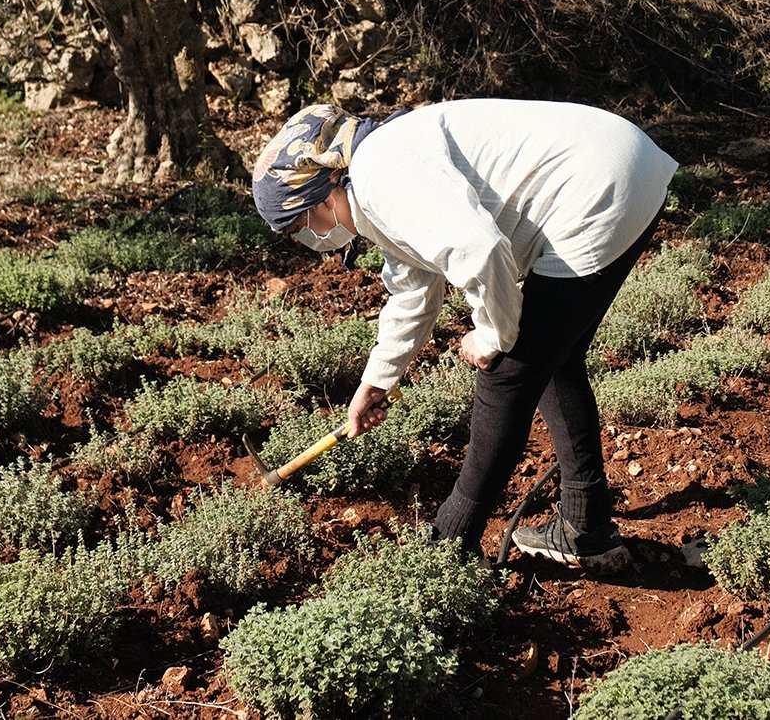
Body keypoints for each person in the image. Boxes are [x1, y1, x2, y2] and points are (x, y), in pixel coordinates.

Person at [251, 98, 678, 571]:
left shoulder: (380, 176)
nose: (311, 238)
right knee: (554, 359)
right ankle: (585, 526)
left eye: (302, 225)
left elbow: (480, 249)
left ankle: (450, 545)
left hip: (596, 188)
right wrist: (377, 381)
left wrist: (491, 335)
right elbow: (413, 292)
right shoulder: (378, 172)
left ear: (325, 191)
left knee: (506, 373)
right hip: (624, 166)